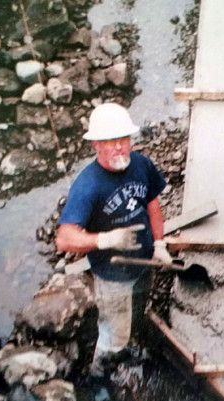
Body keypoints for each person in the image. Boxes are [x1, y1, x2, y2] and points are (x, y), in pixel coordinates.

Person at [55, 103, 171, 377]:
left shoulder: (141, 165)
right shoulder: (88, 185)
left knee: (139, 304)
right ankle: (101, 371)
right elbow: (64, 239)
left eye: (124, 139)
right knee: (114, 331)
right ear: (96, 144)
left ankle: (133, 337)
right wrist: (106, 239)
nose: (119, 147)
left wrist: (160, 244)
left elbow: (153, 204)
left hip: (145, 260)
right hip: (112, 274)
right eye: (110, 141)